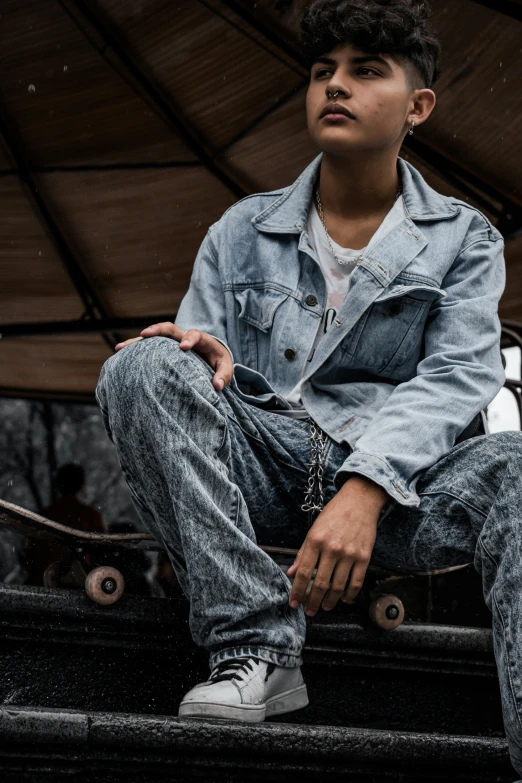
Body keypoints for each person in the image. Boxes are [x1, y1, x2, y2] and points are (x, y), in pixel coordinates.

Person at [95, 0, 522, 776]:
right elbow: (198, 374)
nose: (336, 86)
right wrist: (192, 348)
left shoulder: (465, 238)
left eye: (366, 72)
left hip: (401, 494)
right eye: (324, 72)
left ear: (418, 106)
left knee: (519, 467)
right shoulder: (240, 231)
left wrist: (366, 486)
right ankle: (256, 646)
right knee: (143, 364)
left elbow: (460, 373)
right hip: (261, 467)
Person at [24, 463, 106, 584]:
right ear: (82, 486)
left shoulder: (43, 516)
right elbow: (103, 554)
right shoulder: (91, 516)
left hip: (43, 582)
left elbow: (30, 559)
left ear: (58, 486)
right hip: (80, 585)